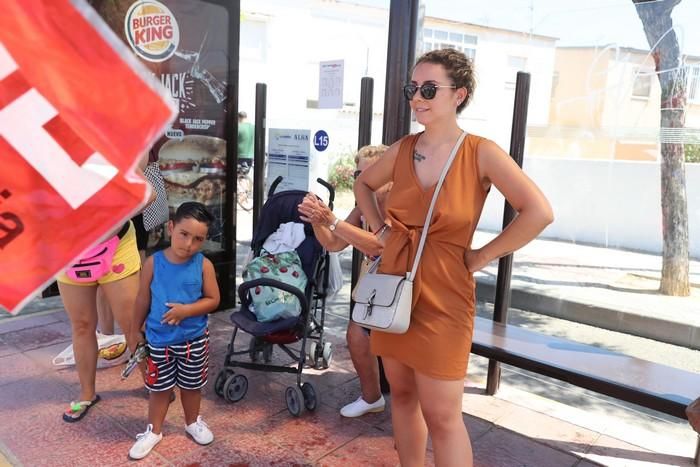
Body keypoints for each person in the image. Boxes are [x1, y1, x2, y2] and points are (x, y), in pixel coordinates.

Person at [353, 48, 554, 467]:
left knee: (443, 415)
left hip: (446, 294)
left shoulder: (481, 152)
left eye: (429, 88)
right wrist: (380, 229)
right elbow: (364, 186)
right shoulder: (403, 148)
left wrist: (482, 256)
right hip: (395, 283)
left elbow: (539, 212)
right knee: (403, 397)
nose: (417, 97)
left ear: (458, 94)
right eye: (413, 88)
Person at [298, 145, 390, 418]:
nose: (361, 179)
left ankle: (413, 414)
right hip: (375, 288)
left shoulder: (402, 203)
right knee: (357, 335)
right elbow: (334, 243)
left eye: (369, 172)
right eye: (358, 173)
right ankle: (372, 397)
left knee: (400, 356)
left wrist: (333, 220)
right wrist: (317, 219)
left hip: (403, 288)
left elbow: (381, 245)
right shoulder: (363, 205)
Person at [128, 202, 220, 460]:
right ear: (171, 227)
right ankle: (154, 431)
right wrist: (134, 331)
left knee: (192, 387)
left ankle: (193, 422)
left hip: (193, 341)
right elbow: (142, 299)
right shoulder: (153, 263)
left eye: (198, 238)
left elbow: (213, 300)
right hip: (158, 341)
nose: (189, 243)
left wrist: (186, 311)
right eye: (184, 234)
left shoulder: (204, 265)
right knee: (159, 388)